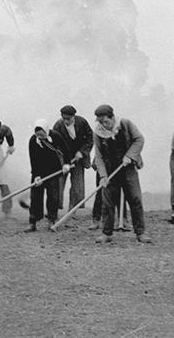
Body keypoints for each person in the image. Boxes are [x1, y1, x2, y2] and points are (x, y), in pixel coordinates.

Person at [91, 104, 151, 244]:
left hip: (128, 168)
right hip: (110, 170)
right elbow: (99, 156)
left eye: (106, 121)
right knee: (107, 202)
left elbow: (139, 139)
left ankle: (140, 233)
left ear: (112, 117)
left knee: (135, 199)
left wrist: (130, 155)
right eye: (100, 122)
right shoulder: (98, 133)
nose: (103, 125)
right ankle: (107, 233)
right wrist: (103, 175)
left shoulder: (126, 124)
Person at [25, 119, 70, 232]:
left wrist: (66, 164)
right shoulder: (33, 141)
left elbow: (66, 149)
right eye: (38, 135)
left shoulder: (55, 136)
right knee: (35, 197)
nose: (40, 137)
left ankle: (52, 220)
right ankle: (32, 222)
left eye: (42, 135)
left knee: (53, 197)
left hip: (54, 171)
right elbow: (33, 159)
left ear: (46, 130)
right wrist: (36, 176)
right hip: (38, 172)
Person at [52, 105, 94, 211]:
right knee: (59, 183)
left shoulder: (82, 122)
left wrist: (82, 152)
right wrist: (62, 161)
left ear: (73, 116)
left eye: (68, 119)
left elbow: (90, 138)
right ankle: (55, 208)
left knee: (77, 184)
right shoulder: (58, 125)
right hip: (63, 159)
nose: (66, 121)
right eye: (64, 118)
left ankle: (73, 210)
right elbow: (54, 145)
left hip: (78, 158)